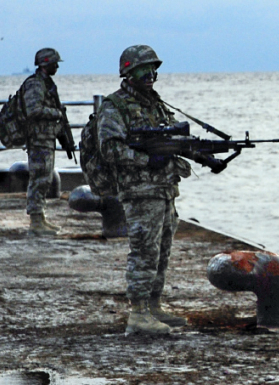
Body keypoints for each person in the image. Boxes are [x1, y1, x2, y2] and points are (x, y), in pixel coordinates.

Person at [97, 45, 192, 335]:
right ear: (128, 71)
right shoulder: (115, 106)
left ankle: (154, 305)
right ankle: (138, 314)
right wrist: (146, 160)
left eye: (154, 69)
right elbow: (110, 148)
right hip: (139, 192)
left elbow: (171, 135)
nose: (151, 74)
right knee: (144, 251)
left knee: (162, 250)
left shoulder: (155, 104)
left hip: (164, 190)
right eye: (144, 69)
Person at [24, 48, 66, 236]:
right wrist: (56, 113)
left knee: (45, 178)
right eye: (54, 63)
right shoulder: (35, 84)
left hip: (46, 138)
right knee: (39, 178)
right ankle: (35, 221)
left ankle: (40, 217)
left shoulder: (46, 84)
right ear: (44, 64)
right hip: (39, 139)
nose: (56, 66)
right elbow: (33, 110)